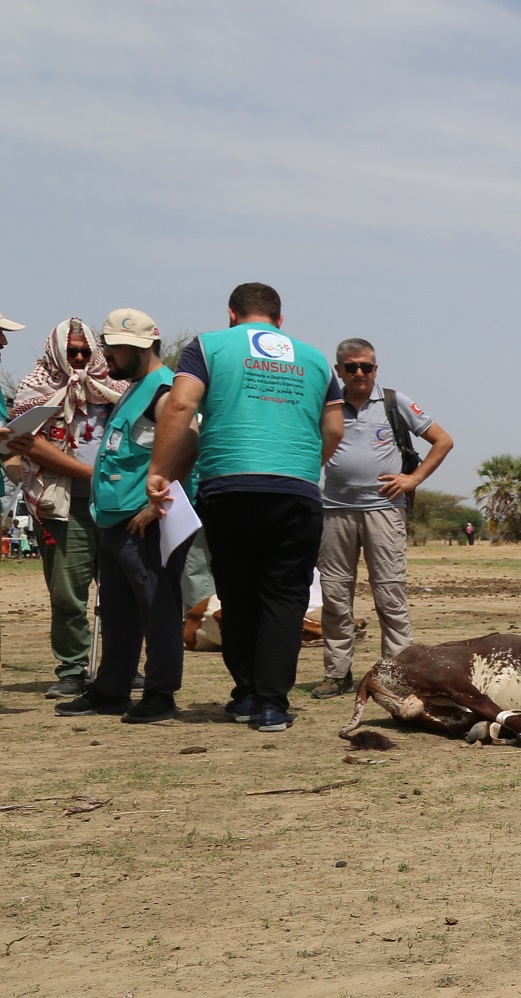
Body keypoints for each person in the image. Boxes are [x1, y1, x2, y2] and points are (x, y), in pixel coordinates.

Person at [148, 283, 341, 733]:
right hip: (295, 489)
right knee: (285, 595)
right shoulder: (314, 359)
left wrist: (158, 470)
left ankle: (247, 693)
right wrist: (304, 465)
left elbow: (180, 404)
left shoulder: (209, 346)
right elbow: (332, 427)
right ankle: (273, 705)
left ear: (232, 314)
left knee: (237, 592)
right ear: (280, 320)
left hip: (229, 485)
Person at [53, 310, 189, 722]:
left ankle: (160, 694)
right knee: (116, 611)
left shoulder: (163, 392)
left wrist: (156, 505)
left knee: (157, 606)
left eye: (113, 346)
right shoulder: (133, 388)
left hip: (145, 519)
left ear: (142, 346)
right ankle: (111, 689)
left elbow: (189, 447)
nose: (105, 354)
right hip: (115, 520)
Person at [309, 339, 454, 699]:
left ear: (376, 369)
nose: (359, 373)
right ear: (338, 370)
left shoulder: (394, 402)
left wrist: (413, 479)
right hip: (334, 510)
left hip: (384, 511)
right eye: (351, 367)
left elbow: (443, 441)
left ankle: (397, 672)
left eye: (366, 367)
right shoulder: (325, 404)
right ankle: (337, 674)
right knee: (335, 594)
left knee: (389, 594)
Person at [7, 318, 127, 698]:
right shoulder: (36, 391)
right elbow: (30, 444)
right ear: (56, 352)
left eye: (84, 351)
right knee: (67, 594)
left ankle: (121, 666)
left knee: (121, 592)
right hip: (64, 505)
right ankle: (73, 669)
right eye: (70, 351)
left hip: (116, 504)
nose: (77, 357)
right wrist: (93, 474)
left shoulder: (118, 389)